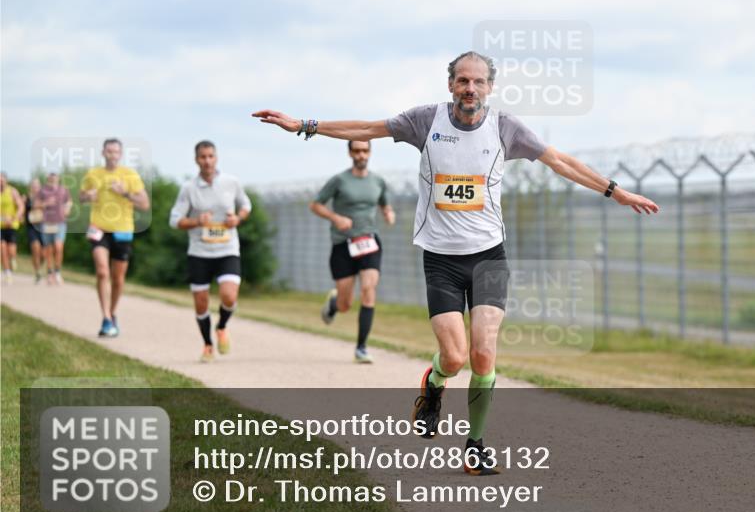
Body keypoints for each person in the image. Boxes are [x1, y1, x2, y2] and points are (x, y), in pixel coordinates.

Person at [254, 51, 658, 475]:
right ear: (450, 85)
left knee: (483, 354)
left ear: (490, 87)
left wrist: (616, 192)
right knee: (454, 356)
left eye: (478, 81)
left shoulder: (506, 127)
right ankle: (434, 385)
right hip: (441, 259)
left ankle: (475, 446)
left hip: (489, 257)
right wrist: (304, 125)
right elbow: (367, 128)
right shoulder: (425, 121)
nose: (470, 88)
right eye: (463, 80)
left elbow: (560, 162)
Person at [310, 140, 396, 364]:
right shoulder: (339, 180)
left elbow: (384, 204)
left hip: (369, 241)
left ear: (370, 152)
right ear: (350, 153)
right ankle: (334, 304)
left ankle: (361, 348)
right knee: (345, 304)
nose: (361, 155)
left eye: (365, 150)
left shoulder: (378, 181)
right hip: (343, 244)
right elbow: (316, 205)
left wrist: (388, 213)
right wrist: (335, 218)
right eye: (357, 151)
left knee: (368, 289)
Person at [169, 141, 252, 362]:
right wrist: (197, 221)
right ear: (196, 159)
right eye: (203, 157)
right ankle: (207, 345)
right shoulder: (189, 188)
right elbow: (175, 220)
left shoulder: (231, 182)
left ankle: (222, 326)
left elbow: (246, 205)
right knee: (201, 303)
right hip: (199, 252)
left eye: (210, 156)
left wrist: (238, 218)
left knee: (229, 296)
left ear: (216, 158)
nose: (207, 161)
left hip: (227, 249)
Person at [80, 138, 150, 337]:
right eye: (109, 151)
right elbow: (81, 197)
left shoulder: (130, 175)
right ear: (103, 153)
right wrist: (88, 196)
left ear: (120, 154)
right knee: (102, 272)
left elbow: (145, 204)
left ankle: (112, 313)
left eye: (116, 152)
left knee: (118, 279)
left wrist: (125, 193)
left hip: (123, 230)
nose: (112, 155)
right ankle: (106, 318)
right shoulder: (93, 174)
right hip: (98, 228)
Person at [38, 172, 72, 285]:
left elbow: (69, 202)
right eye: (51, 178)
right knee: (48, 249)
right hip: (47, 222)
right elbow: (35, 204)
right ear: (48, 179)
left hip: (60, 222)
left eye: (55, 178)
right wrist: (45, 203)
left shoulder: (64, 190)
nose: (53, 179)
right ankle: (49, 273)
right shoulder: (42, 190)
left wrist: (67, 209)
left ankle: (57, 272)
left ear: (58, 179)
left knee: (58, 247)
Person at [0, 172, 25, 284]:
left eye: (2, 180)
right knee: (2, 248)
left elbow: (21, 206)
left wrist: (15, 218)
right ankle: (7, 273)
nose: (1, 182)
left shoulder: (12, 191)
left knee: (11, 251)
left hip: (11, 225)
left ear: (6, 181)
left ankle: (13, 259)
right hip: (0, 226)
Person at [25, 178, 45, 283]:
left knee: (43, 254)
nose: (35, 187)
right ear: (30, 187)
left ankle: (38, 265)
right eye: (33, 185)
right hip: (31, 227)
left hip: (43, 227)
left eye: (37, 186)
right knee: (35, 248)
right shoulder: (27, 198)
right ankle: (37, 272)